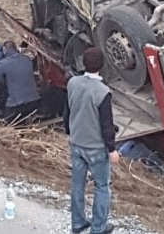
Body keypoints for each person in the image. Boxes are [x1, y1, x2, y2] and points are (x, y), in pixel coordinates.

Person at [63, 47, 118, 234]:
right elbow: (106, 124)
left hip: (76, 143)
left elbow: (67, 111)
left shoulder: (73, 83)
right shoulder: (103, 91)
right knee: (101, 186)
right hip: (95, 148)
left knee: (77, 184)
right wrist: (112, 149)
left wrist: (68, 132)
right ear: (102, 65)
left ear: (83, 63)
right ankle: (98, 228)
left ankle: (77, 223)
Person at [0, 41, 40, 123]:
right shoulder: (27, 60)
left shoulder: (3, 64)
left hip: (16, 104)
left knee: (5, 123)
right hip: (34, 101)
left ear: (4, 50)